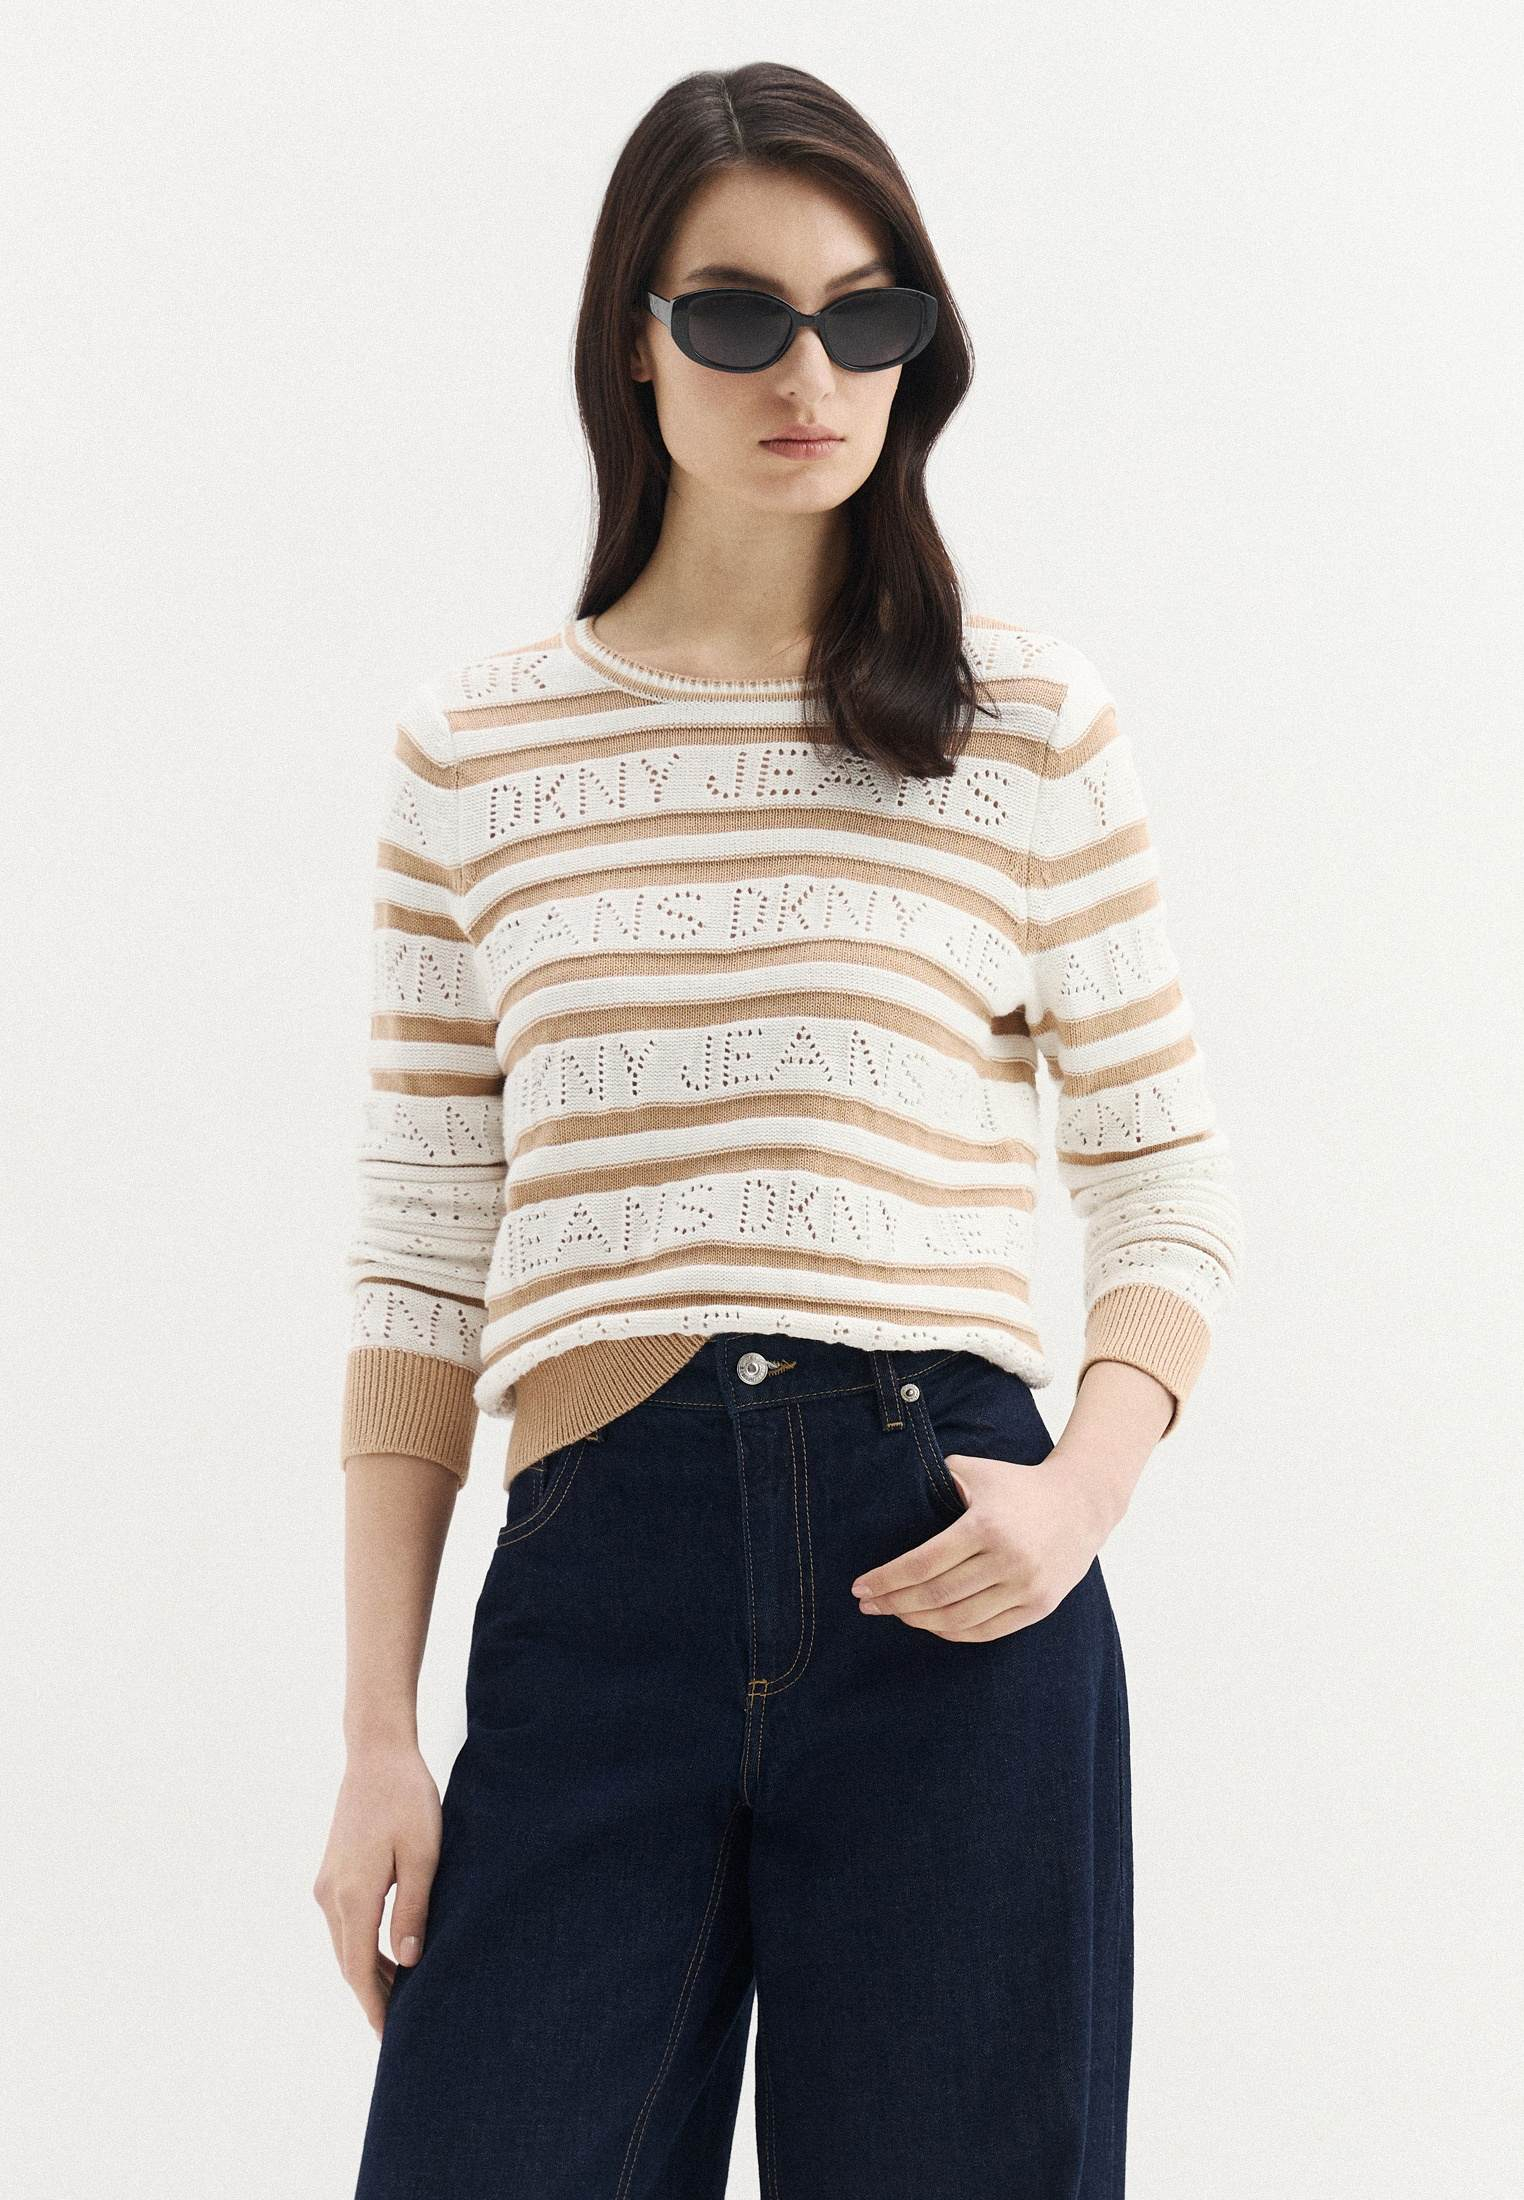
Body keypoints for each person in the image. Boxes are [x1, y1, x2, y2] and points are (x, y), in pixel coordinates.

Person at [314, 60, 1244, 2200]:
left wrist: (1083, 1492)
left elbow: (1167, 1178)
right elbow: (419, 1271)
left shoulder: (1023, 724)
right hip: (597, 1576)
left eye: (864, 316)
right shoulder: (475, 754)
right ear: (634, 342)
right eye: (737, 315)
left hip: (949, 1564)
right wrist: (376, 1735)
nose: (809, 377)